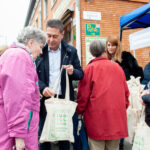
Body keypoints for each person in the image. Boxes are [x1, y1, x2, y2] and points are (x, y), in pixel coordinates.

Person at [36, 19, 83, 150]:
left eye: (55, 36)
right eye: (48, 35)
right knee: (44, 137)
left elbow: (81, 73)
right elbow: (34, 76)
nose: (51, 40)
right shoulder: (41, 51)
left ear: (62, 34)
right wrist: (43, 87)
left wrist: (73, 71)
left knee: (64, 137)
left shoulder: (71, 51)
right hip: (46, 100)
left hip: (64, 100)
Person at [76, 40, 129, 150]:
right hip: (116, 120)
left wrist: (79, 111)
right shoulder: (118, 68)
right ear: (105, 51)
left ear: (91, 52)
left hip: (96, 121)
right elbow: (126, 94)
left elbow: (82, 96)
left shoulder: (89, 69)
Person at [0, 26, 46, 150]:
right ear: (31, 42)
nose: (41, 51)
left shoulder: (16, 55)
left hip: (14, 129)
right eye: (40, 46)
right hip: (17, 135)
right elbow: (16, 98)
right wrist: (19, 137)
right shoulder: (19, 57)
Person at [106, 35, 143, 150]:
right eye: (108, 45)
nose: (111, 47)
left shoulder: (126, 56)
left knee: (124, 119)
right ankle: (116, 144)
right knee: (114, 120)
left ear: (118, 46)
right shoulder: (105, 59)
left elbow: (138, 72)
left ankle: (121, 144)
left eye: (113, 45)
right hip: (110, 94)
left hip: (124, 93)